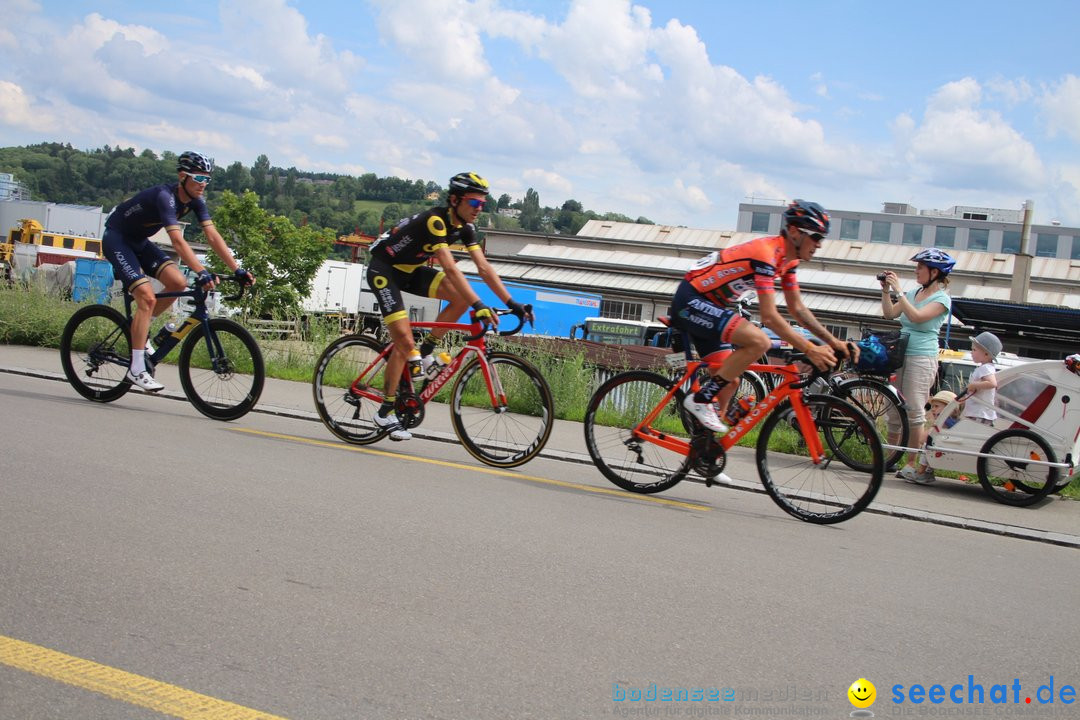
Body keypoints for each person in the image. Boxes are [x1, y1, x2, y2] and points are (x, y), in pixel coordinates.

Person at [365, 172, 532, 441]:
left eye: (483, 205)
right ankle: (384, 413)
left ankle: (427, 351)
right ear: (454, 200)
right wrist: (479, 305)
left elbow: (484, 267)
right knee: (404, 340)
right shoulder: (435, 220)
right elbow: (451, 268)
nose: (479, 210)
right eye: (474, 204)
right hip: (384, 270)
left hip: (410, 270)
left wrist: (512, 303)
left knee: (460, 298)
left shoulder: (466, 228)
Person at [670, 199, 855, 433]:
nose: (819, 245)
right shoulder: (766, 255)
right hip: (691, 301)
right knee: (759, 341)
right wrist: (810, 349)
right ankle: (700, 400)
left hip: (712, 305)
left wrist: (834, 342)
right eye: (816, 237)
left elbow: (798, 309)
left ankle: (705, 451)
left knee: (730, 382)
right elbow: (769, 317)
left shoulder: (788, 262)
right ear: (795, 232)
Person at [102, 151, 254, 392]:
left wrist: (237, 269)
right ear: (183, 176)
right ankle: (136, 369)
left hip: (139, 241)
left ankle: (141, 332)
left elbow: (213, 236)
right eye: (199, 179)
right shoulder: (165, 197)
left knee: (178, 282)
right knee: (147, 298)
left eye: (208, 180)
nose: (204, 185)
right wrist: (202, 271)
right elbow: (177, 242)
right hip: (117, 239)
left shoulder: (196, 200)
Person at [880, 248, 954, 482]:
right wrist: (886, 292)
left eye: (920, 268)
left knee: (913, 411)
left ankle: (911, 462)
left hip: (921, 358)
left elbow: (917, 318)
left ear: (934, 272)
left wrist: (899, 291)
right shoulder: (913, 292)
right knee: (892, 408)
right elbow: (891, 314)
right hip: (900, 355)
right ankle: (890, 458)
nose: (916, 271)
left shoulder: (941, 299)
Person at [904, 389, 959, 485]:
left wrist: (932, 427)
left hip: (948, 448)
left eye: (936, 406)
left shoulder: (944, 422)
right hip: (949, 445)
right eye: (933, 407)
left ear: (949, 409)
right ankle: (928, 471)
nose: (933, 409)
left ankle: (921, 472)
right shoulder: (953, 422)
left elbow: (922, 439)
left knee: (927, 445)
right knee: (932, 443)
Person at [958, 331, 1001, 426]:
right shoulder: (986, 368)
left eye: (974, 350)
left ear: (986, 354)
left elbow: (992, 383)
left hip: (980, 413)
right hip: (979, 412)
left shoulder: (985, 368)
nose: (971, 353)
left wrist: (973, 385)